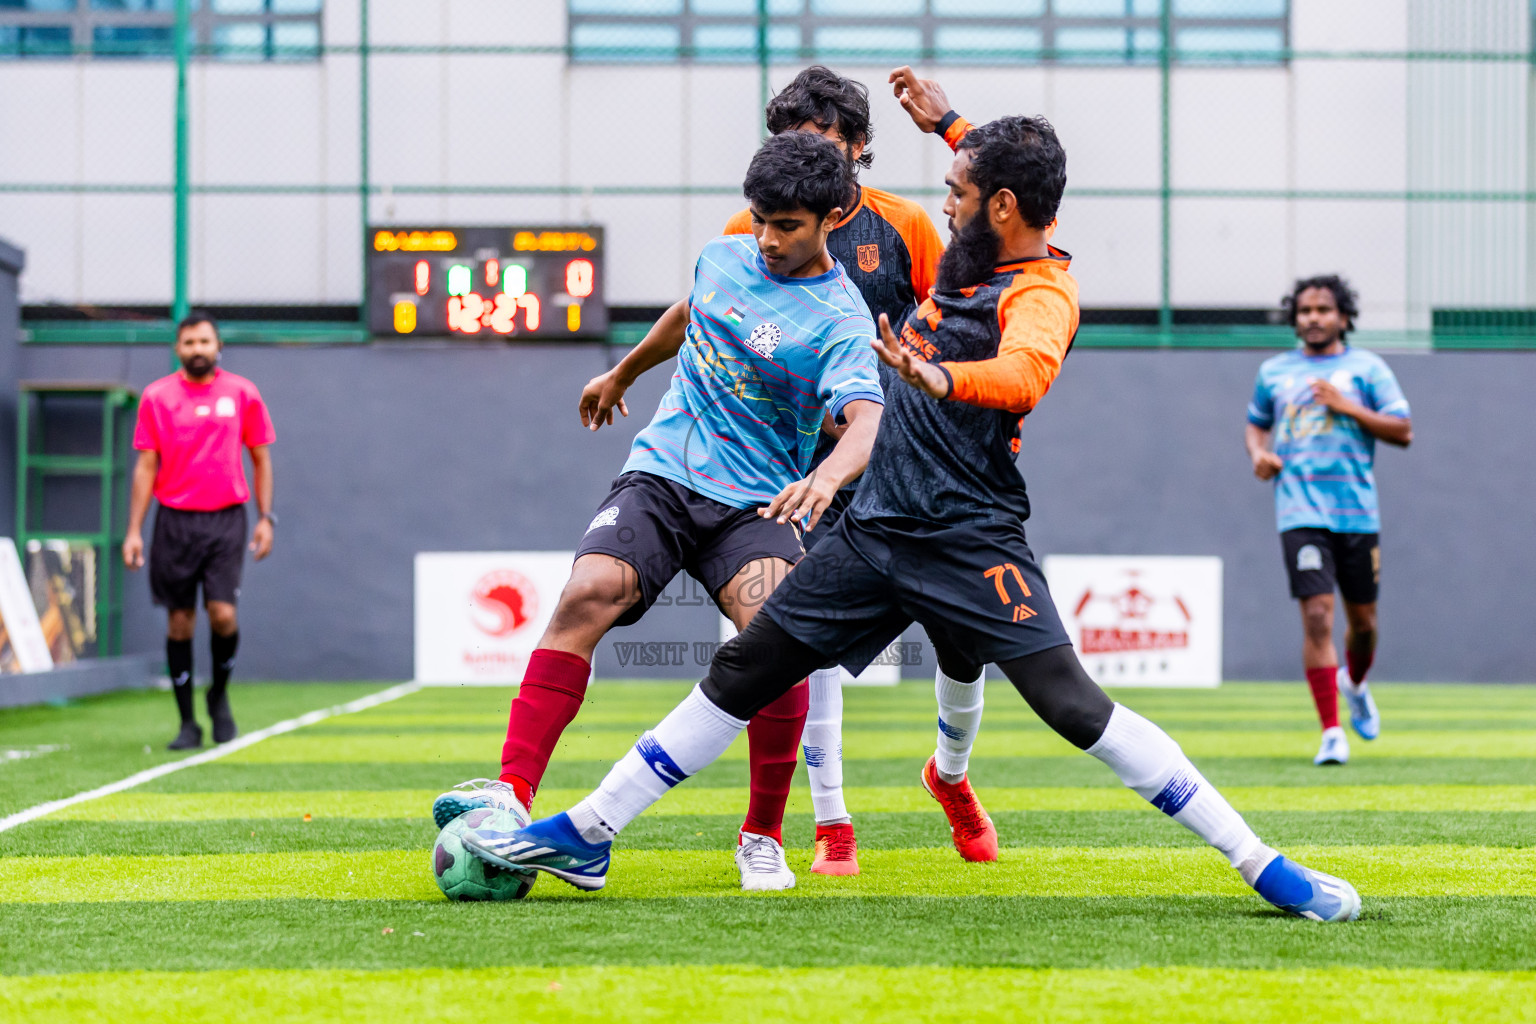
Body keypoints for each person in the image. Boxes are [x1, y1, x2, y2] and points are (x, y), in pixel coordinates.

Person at [464, 114, 1363, 925]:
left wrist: (940, 378)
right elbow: (994, 178)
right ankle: (585, 832)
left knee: (1071, 705)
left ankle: (1262, 865)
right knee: (745, 666)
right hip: (873, 530)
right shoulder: (977, 252)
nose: (945, 201)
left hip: (966, 537)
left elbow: (1025, 375)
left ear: (1000, 207)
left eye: (958, 192)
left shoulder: (1041, 295)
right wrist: (948, 124)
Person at [432, 130, 885, 892]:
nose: (768, 240)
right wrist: (621, 370)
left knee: (777, 639)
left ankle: (762, 836)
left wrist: (830, 474)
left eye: (788, 226)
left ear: (833, 218)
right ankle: (512, 799)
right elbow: (689, 313)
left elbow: (866, 418)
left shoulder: (841, 319)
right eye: (760, 220)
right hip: (662, 475)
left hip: (755, 503)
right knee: (585, 595)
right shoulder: (725, 254)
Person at [582, 64, 993, 877]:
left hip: (909, 456)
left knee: (962, 634)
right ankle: (829, 821)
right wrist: (625, 371)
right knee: (798, 627)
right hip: (794, 467)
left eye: (826, 143)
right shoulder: (752, 225)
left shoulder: (907, 225)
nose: (809, 156)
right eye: (792, 142)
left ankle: (949, 775)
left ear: (859, 153)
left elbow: (968, 300)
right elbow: (700, 307)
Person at [1245, 276, 1412, 766]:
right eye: (1304, 310)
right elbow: (1257, 424)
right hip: (1300, 510)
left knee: (1364, 624)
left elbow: (1402, 429)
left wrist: (1345, 406)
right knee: (1318, 616)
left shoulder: (1367, 368)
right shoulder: (1274, 371)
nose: (1313, 318)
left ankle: (1356, 684)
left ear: (1343, 316)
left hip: (1357, 514)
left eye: (1323, 309)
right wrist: (1259, 454)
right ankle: (1332, 731)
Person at [123, 313, 276, 750]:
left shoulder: (242, 392)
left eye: (204, 341)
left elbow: (261, 458)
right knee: (179, 621)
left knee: (223, 614)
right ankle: (187, 721)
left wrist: (266, 517)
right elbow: (146, 466)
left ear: (217, 344)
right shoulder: (157, 396)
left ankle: (219, 695)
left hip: (227, 518)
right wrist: (134, 530)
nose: (197, 349)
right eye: (188, 342)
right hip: (174, 520)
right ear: (178, 348)